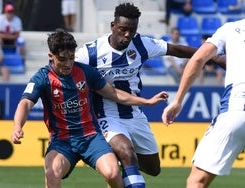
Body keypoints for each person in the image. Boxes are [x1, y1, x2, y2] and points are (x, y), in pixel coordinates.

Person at [75, 2, 226, 187]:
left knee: (153, 168)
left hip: (135, 115)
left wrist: (215, 58)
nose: (127, 34)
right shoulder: (90, 52)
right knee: (127, 153)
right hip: (106, 116)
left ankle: (118, 163)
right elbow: (65, 72)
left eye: (132, 29)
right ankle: (111, 157)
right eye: (123, 29)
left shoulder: (141, 44)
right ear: (113, 26)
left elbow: (177, 50)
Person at [10, 28, 169, 188]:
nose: (68, 64)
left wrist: (146, 102)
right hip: (62, 141)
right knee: (52, 172)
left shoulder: (85, 72)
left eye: (71, 58)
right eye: (62, 59)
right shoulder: (41, 78)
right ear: (51, 56)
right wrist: (17, 126)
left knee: (113, 173)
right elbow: (25, 103)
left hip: (91, 137)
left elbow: (113, 93)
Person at [162, 19, 245, 187]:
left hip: (237, 109)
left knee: (196, 181)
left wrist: (177, 100)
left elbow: (198, 58)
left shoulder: (231, 29)